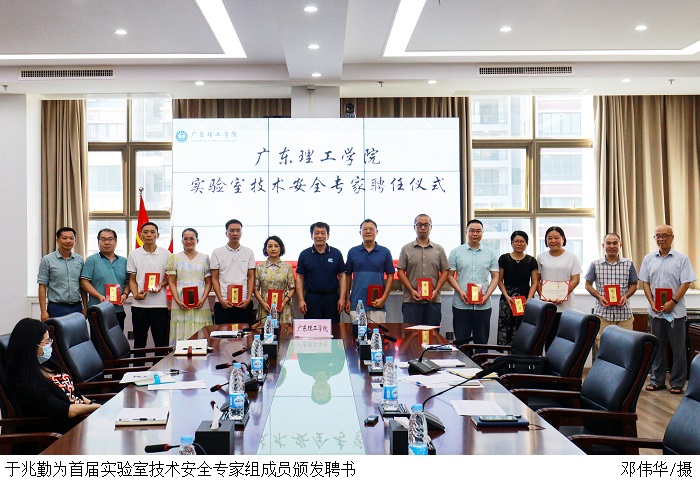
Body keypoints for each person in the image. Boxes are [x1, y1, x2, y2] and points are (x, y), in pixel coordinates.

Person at [5, 318, 100, 429]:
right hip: (65, 430)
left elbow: (72, 393)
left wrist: (91, 404)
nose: (49, 345)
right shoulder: (26, 383)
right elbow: (67, 411)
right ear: (31, 347)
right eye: (46, 342)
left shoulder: (45, 364)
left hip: (82, 417)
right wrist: (96, 408)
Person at [639, 225, 696, 394]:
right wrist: (652, 302)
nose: (661, 239)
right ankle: (657, 380)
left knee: (678, 350)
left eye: (664, 235)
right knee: (657, 348)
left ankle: (677, 383)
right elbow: (645, 282)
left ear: (672, 237)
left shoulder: (682, 259)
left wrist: (673, 302)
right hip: (655, 312)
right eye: (658, 236)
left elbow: (686, 283)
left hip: (675, 313)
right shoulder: (648, 259)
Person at [446, 219, 499, 346]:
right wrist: (460, 292)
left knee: (481, 343)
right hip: (461, 305)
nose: (475, 234)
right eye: (472, 231)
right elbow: (449, 276)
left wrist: (487, 295)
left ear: (482, 233)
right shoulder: (456, 252)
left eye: (478, 231)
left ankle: (480, 360)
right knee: (462, 343)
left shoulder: (490, 253)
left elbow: (495, 277)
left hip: (483, 305)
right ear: (466, 232)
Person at [584, 233, 638, 350]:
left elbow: (634, 284)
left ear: (620, 245)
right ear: (603, 245)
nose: (612, 246)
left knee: (625, 348)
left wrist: (626, 296)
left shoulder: (629, 264)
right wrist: (599, 297)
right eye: (608, 243)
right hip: (603, 315)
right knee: (604, 349)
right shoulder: (595, 264)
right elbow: (587, 285)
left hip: (624, 315)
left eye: (615, 243)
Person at [396, 214, 450, 326]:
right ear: (414, 227)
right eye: (419, 225)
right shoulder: (406, 249)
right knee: (412, 334)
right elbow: (400, 272)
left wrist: (436, 290)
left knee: (433, 334)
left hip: (433, 301)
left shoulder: (439, 249)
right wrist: (412, 290)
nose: (423, 228)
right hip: (411, 302)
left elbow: (445, 271)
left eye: (426, 225)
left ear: (431, 227)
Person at [537, 226, 582, 347]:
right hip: (547, 306)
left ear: (563, 239)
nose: (553, 241)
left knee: (565, 341)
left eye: (556, 238)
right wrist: (544, 296)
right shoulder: (541, 257)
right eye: (549, 238)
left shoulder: (572, 257)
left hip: (566, 306)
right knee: (548, 340)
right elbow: (537, 280)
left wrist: (562, 294)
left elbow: (576, 279)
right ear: (546, 240)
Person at [126, 222, 170, 348]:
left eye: (152, 232)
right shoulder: (133, 254)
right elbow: (132, 279)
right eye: (145, 232)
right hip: (139, 305)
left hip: (160, 305)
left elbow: (170, 278)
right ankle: (138, 363)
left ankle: (160, 363)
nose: (149, 235)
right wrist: (135, 294)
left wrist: (160, 285)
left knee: (161, 343)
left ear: (158, 235)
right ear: (140, 235)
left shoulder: (166, 254)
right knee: (139, 343)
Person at [167, 228, 213, 342]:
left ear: (197, 240)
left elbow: (208, 282)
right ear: (181, 241)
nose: (188, 242)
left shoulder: (205, 258)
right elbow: (171, 281)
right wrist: (177, 300)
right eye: (185, 239)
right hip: (180, 301)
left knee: (201, 332)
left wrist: (203, 298)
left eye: (192, 239)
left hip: (200, 301)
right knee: (181, 333)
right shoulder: (174, 257)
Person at [295, 222, 347, 323]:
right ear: (311, 236)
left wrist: (342, 298)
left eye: (323, 233)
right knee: (312, 328)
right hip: (312, 298)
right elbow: (300, 277)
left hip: (332, 298)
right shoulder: (304, 254)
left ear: (328, 236)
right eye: (316, 233)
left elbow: (342, 276)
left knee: (333, 328)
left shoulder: (336, 253)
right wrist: (301, 300)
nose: (319, 236)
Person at [345, 219, 395, 322]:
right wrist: (347, 299)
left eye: (371, 229)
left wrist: (384, 298)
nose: (368, 232)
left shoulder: (385, 252)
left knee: (377, 332)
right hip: (357, 303)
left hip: (377, 304)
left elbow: (390, 276)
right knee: (357, 332)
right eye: (365, 229)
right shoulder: (352, 252)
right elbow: (348, 277)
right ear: (360, 232)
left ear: (377, 232)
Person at [80, 228, 129, 330]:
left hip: (118, 310)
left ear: (115, 242)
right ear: (98, 242)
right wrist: (99, 296)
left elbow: (129, 282)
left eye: (110, 239)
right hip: (97, 309)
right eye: (103, 239)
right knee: (97, 338)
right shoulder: (91, 260)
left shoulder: (124, 261)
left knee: (117, 339)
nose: (107, 242)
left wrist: (125, 294)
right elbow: (84, 282)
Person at [497, 230, 539, 345]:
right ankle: (508, 355)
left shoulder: (531, 261)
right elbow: (499, 280)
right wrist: (506, 296)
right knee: (507, 329)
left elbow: (535, 282)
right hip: (507, 299)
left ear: (526, 243)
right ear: (512, 243)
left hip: (525, 299)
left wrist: (529, 300)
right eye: (516, 241)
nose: (519, 244)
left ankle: (522, 355)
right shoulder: (504, 259)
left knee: (524, 328)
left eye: (522, 241)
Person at [210, 219, 256, 325]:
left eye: (238, 230)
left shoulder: (249, 252)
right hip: (223, 303)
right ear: (226, 233)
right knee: (223, 334)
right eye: (231, 230)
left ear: (241, 233)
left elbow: (251, 277)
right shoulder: (217, 252)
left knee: (245, 333)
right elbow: (214, 278)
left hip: (244, 302)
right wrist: (221, 299)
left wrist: (248, 298)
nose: (235, 233)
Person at [37, 227, 87, 321]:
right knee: (57, 331)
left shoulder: (79, 260)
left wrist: (85, 306)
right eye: (64, 238)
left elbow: (82, 285)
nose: (68, 241)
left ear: (75, 241)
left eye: (71, 238)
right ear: (57, 240)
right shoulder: (47, 260)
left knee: (77, 331)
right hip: (56, 307)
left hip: (76, 307)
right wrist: (43, 311)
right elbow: (42, 286)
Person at [254, 235, 296, 324]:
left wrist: (284, 302)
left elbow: (292, 288)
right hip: (265, 306)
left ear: (281, 248)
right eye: (270, 246)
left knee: (284, 332)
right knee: (265, 331)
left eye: (276, 246)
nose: (273, 249)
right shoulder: (259, 267)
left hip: (283, 307)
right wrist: (262, 303)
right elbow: (255, 289)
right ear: (265, 249)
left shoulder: (287, 267)